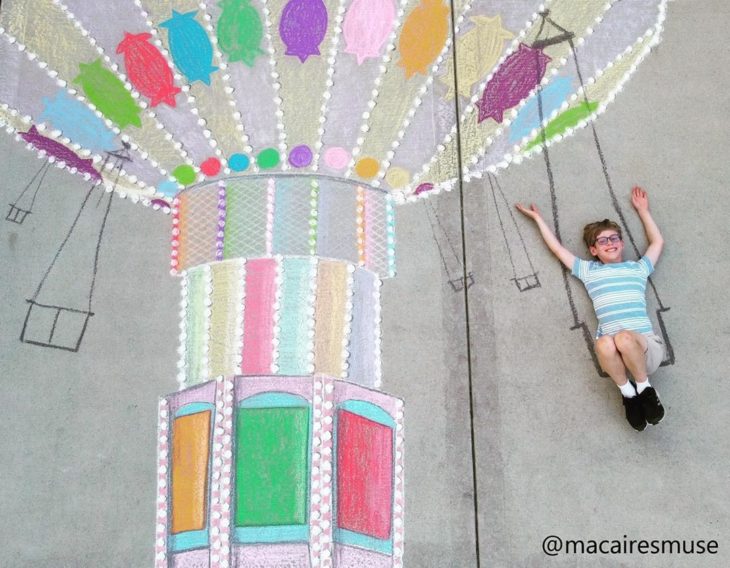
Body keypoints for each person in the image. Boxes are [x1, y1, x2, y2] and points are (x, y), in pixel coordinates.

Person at [515, 186, 666, 431]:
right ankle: (628, 394)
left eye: (614, 238)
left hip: (645, 349)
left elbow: (657, 242)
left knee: (624, 338)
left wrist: (643, 211)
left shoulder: (638, 268)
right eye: (602, 240)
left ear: (622, 243)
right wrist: (538, 220)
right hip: (615, 357)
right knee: (604, 342)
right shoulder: (589, 271)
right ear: (593, 250)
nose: (610, 243)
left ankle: (645, 389)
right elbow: (557, 249)